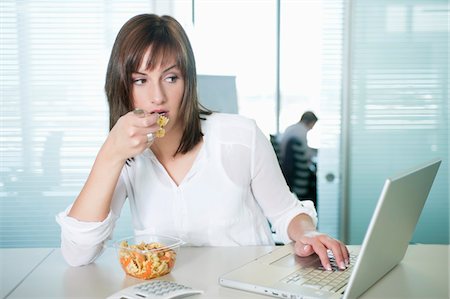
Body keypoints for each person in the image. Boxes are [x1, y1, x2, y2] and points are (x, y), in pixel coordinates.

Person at [56, 14, 349, 271]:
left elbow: (286, 212)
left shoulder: (241, 136)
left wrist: (307, 234)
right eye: (140, 80)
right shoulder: (124, 153)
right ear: (122, 86)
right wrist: (110, 154)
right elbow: (78, 254)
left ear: (188, 81)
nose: (157, 97)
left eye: (170, 78)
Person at [279, 111, 318, 205]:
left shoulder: (291, 128)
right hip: (296, 173)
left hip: (287, 168)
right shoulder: (302, 131)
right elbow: (306, 155)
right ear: (311, 122)